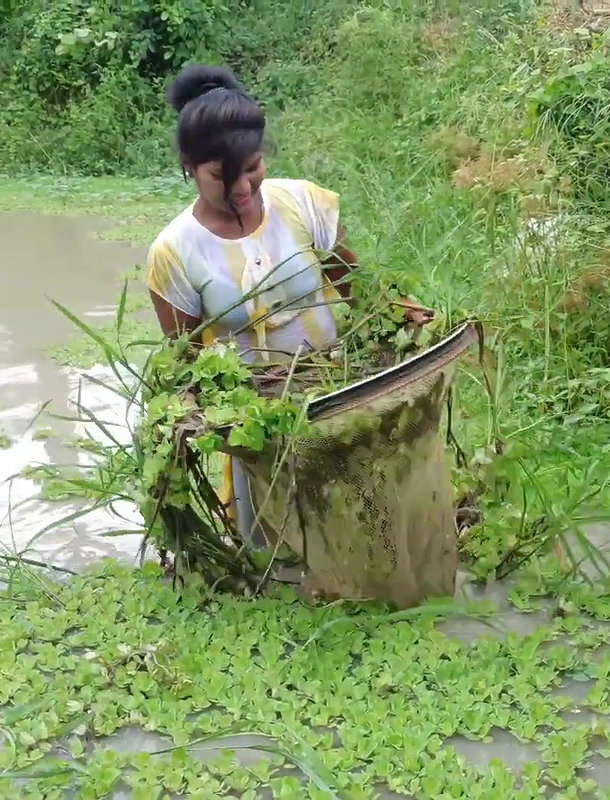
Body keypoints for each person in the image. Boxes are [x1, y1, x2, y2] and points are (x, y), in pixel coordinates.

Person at [145, 64, 430, 548]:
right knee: (276, 549)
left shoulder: (301, 204)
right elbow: (187, 360)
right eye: (223, 176)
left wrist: (402, 313)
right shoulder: (174, 252)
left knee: (361, 528)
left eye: (253, 168)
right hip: (259, 425)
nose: (242, 188)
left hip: (338, 397)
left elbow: (356, 288)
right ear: (189, 166)